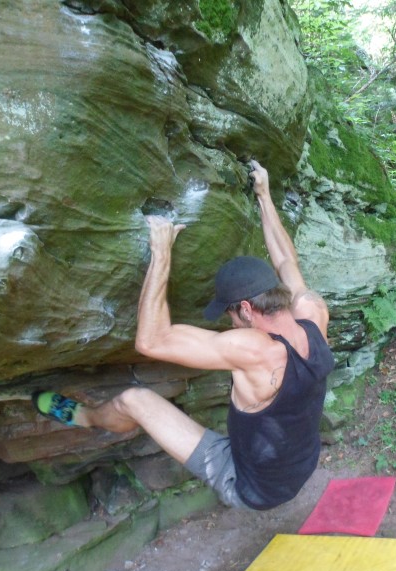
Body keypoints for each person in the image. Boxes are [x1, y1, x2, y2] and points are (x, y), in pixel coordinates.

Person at [33, 160, 334, 510]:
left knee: (135, 401)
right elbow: (286, 262)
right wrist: (264, 195)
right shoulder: (312, 311)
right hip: (298, 464)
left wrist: (161, 253)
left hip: (250, 486)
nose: (230, 322)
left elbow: (151, 341)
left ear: (247, 310)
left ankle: (83, 417)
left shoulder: (253, 349)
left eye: (230, 314)